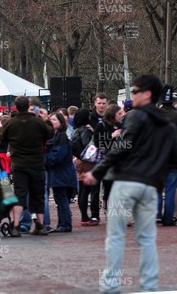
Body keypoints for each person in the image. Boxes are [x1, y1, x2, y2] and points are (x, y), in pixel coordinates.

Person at [83, 75, 177, 293]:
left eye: (135, 91)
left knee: (116, 237)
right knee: (147, 239)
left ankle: (111, 286)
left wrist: (97, 172)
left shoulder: (135, 117)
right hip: (151, 187)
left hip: (126, 182)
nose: (131, 94)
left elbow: (121, 147)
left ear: (147, 94)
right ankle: (149, 286)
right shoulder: (167, 126)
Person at [0, 96, 53, 237]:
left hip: (19, 163)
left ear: (16, 106)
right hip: (37, 163)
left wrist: (0, 129)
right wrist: (46, 118)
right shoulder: (38, 122)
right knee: (38, 195)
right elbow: (50, 134)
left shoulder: (11, 123)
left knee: (19, 195)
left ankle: (16, 226)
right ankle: (40, 225)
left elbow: (2, 139)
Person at [45, 112, 77, 232]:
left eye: (54, 120)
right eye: (51, 119)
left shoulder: (61, 136)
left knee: (62, 199)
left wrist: (45, 158)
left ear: (60, 122)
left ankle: (65, 224)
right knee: (60, 199)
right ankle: (62, 223)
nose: (51, 121)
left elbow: (57, 156)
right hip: (61, 173)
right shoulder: (57, 135)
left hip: (62, 173)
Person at [71, 108, 99, 226]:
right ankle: (85, 216)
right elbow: (88, 146)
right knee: (86, 190)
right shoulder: (85, 130)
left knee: (82, 188)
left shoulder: (76, 130)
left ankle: (84, 215)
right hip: (87, 161)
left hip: (79, 160)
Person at [157, 84, 177, 226]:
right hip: (174, 157)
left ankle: (156, 215)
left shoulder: (155, 115)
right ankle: (169, 219)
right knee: (170, 190)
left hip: (158, 157)